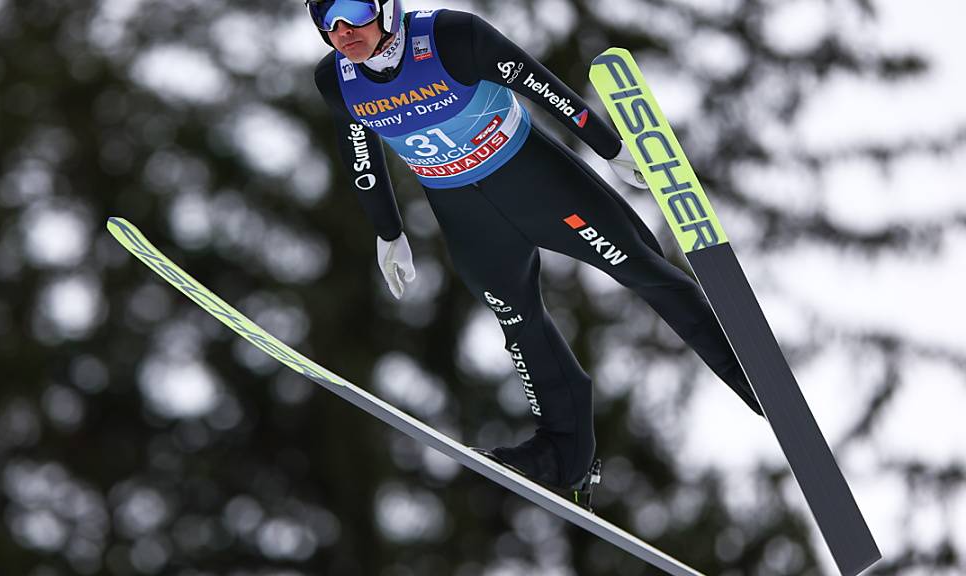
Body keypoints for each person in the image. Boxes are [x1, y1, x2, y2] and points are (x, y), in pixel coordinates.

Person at [307, 0, 763, 497]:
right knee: (518, 325)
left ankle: (754, 376)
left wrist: (609, 147)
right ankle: (565, 455)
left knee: (641, 270)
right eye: (325, 18)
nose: (342, 29)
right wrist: (388, 231)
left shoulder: (452, 37)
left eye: (353, 9)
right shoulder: (337, 79)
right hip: (467, 218)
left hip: (538, 184)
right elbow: (360, 155)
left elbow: (541, 86)